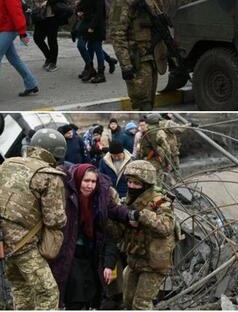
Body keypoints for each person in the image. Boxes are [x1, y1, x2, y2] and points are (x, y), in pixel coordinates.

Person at [0, 128, 68, 309]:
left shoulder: (8, 163)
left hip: (4, 244)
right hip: (25, 245)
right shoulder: (49, 175)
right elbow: (55, 219)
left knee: (21, 290)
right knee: (48, 293)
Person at [49, 163, 131, 309]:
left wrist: (131, 215)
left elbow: (113, 216)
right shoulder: (67, 197)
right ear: (79, 180)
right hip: (69, 252)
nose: (90, 186)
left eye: (93, 182)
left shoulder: (100, 200)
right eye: (86, 181)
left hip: (92, 253)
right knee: (74, 292)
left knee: (91, 292)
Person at [110, 0, 170, 110]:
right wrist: (125, 65)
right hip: (137, 59)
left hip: (153, 57)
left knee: (150, 103)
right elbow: (117, 34)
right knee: (140, 104)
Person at [114, 160, 176, 309]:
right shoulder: (129, 200)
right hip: (134, 260)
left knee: (140, 304)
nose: (131, 186)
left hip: (153, 264)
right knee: (128, 301)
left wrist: (140, 216)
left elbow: (166, 226)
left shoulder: (160, 202)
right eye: (129, 182)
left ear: (146, 184)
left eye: (136, 183)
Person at [0, 0, 39, 96]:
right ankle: (31, 84)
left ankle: (31, 83)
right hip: (3, 29)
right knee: (13, 58)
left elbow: (16, 12)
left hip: (9, 29)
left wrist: (22, 31)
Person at [23, 0, 68, 72]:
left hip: (51, 16)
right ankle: (49, 57)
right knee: (37, 38)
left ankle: (53, 63)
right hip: (39, 16)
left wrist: (49, 1)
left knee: (52, 40)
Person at [73, 0, 108, 83]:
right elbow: (83, 6)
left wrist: (92, 26)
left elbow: (100, 11)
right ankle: (90, 68)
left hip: (96, 25)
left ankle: (101, 73)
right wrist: (78, 10)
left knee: (97, 48)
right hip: (87, 23)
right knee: (83, 46)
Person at [138, 114, 174, 183]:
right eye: (140, 125)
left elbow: (166, 149)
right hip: (148, 161)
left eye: (143, 125)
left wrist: (168, 163)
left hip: (155, 160)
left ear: (147, 124)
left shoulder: (154, 133)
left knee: (158, 180)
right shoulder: (143, 135)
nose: (142, 127)